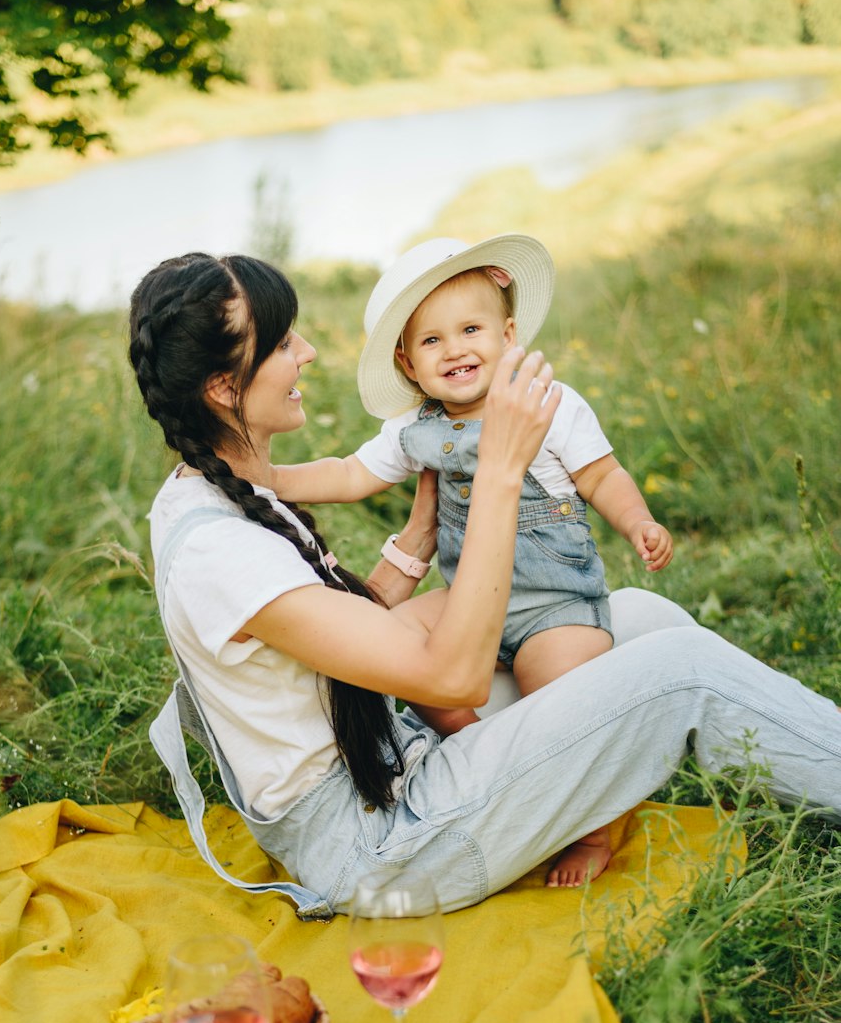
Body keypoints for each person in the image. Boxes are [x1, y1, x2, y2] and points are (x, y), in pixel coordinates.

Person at [129, 250, 840, 921]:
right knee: (684, 674)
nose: (307, 350)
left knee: (644, 620)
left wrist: (413, 545)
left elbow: (330, 640)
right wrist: (501, 468)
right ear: (225, 388)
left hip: (389, 756)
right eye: (284, 341)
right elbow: (454, 678)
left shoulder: (216, 491)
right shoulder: (219, 548)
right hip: (381, 847)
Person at [268, 234, 674, 886]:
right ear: (406, 363)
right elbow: (348, 474)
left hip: (554, 604)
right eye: (432, 341)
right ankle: (474, 740)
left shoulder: (548, 402)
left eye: (471, 329)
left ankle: (593, 832)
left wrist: (639, 522)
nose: (455, 348)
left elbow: (601, 475)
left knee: (569, 702)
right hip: (469, 603)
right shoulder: (414, 429)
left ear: (509, 335)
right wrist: (272, 478)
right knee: (390, 641)